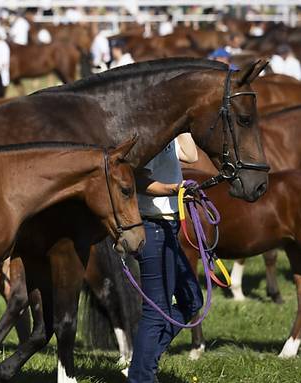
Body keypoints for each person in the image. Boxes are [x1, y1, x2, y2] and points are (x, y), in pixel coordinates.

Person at [127, 133, 203, 382]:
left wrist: (183, 126)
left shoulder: (169, 135)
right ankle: (141, 375)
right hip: (152, 225)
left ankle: (141, 364)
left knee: (191, 298)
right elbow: (140, 181)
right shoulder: (150, 137)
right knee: (157, 310)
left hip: (168, 227)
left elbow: (191, 156)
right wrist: (176, 189)